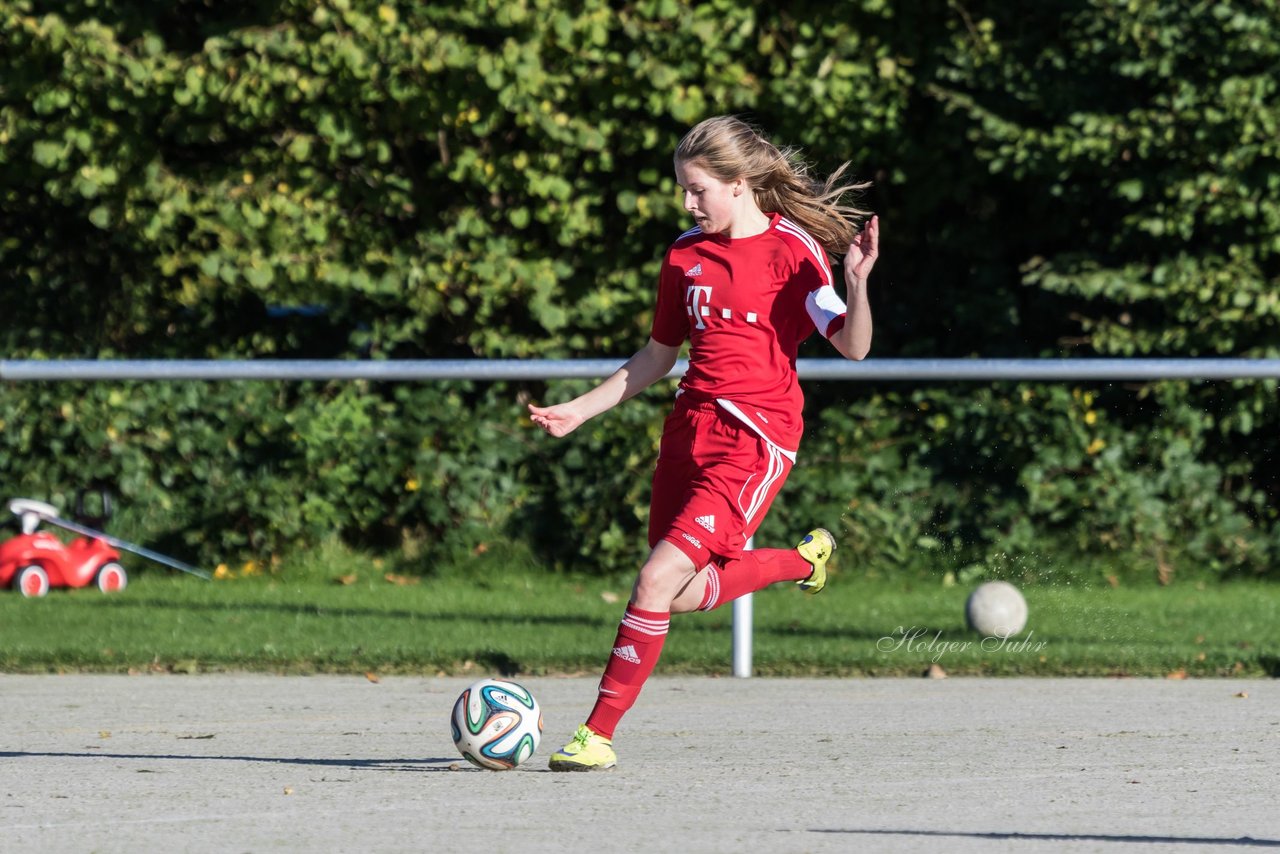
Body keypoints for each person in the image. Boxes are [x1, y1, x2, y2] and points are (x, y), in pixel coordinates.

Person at [528, 115, 879, 771]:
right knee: (680, 594)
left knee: (655, 579)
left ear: (740, 184)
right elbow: (658, 356)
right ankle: (804, 561)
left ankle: (595, 735)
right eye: (684, 191)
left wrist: (857, 286)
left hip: (754, 440)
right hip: (688, 433)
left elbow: (853, 346)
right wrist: (580, 409)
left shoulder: (793, 252)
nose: (689, 205)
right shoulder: (685, 255)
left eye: (698, 190)